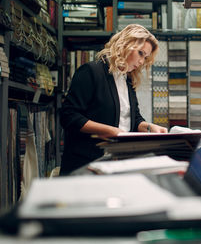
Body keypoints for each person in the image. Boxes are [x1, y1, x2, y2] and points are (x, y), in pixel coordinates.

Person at [60, 24, 167, 175]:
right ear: (126, 45)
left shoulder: (127, 80)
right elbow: (68, 116)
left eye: (146, 57)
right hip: (86, 165)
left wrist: (150, 128)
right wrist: (111, 132)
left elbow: (134, 119)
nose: (142, 61)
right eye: (141, 53)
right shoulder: (91, 71)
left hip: (117, 162)